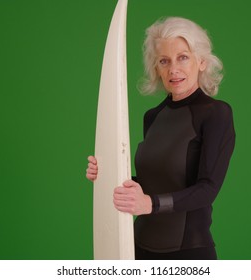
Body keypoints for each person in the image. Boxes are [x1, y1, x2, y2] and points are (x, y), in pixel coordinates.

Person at [86, 17, 235, 260]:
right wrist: (105, 175)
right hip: (135, 249)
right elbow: (152, 183)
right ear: (156, 68)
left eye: (183, 57)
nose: (173, 69)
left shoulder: (216, 114)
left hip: (187, 254)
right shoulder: (153, 117)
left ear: (202, 61)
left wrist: (149, 205)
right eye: (164, 61)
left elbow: (207, 189)